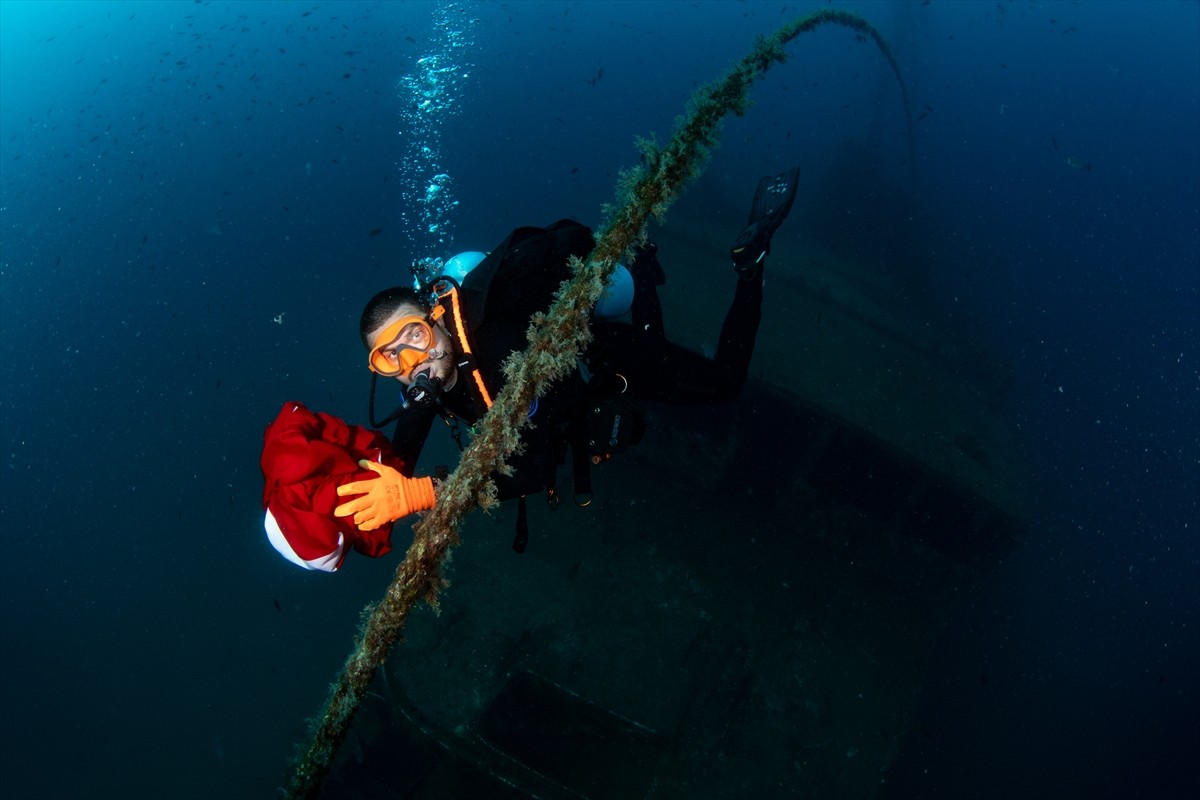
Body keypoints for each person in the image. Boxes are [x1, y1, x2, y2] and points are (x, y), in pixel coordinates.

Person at [264, 168, 800, 569]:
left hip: (600, 362)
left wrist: (426, 493)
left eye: (415, 336)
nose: (412, 362)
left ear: (437, 321)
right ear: (379, 369)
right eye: (389, 357)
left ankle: (748, 263)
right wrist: (333, 497)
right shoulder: (428, 384)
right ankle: (645, 270)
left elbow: (536, 464)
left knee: (722, 382)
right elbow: (396, 460)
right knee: (650, 326)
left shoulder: (496, 342)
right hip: (569, 403)